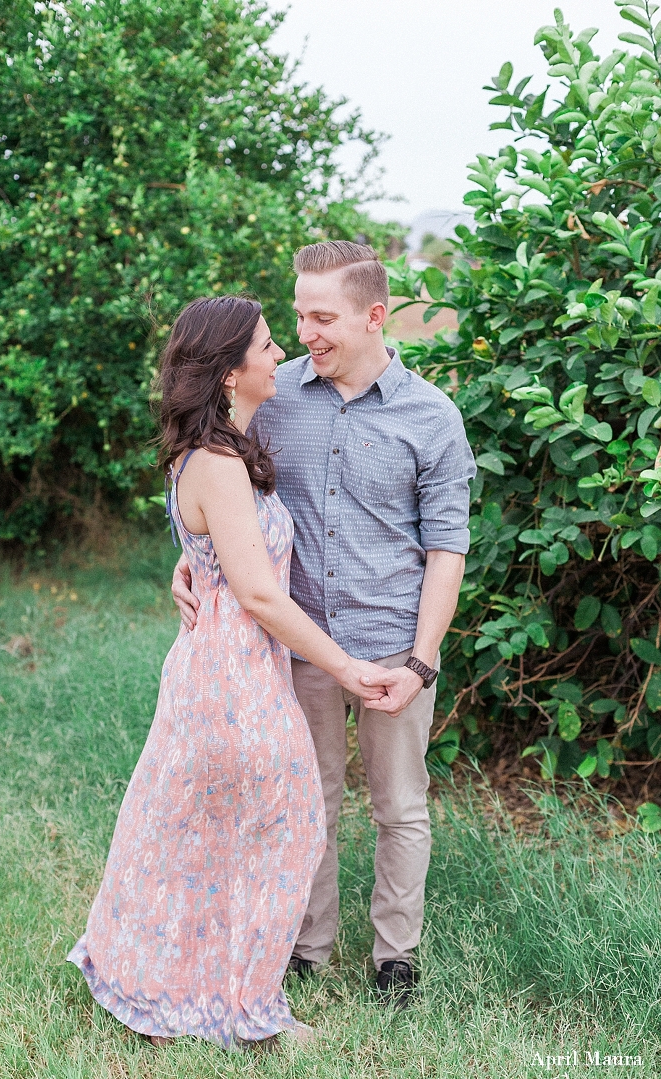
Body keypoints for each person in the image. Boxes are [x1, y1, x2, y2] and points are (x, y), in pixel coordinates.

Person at [67, 295, 398, 1051]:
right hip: (232, 678)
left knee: (194, 829)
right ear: (228, 373)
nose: (281, 353)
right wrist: (347, 667)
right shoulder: (215, 462)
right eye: (268, 344)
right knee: (283, 825)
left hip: (223, 668)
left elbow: (218, 546)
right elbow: (255, 591)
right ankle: (246, 1010)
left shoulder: (221, 451)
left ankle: (170, 981)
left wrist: (191, 558)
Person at [172, 242, 476, 1009]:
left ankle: (394, 959)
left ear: (374, 316)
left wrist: (422, 660)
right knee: (308, 801)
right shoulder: (274, 398)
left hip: (393, 651)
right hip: (296, 649)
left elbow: (447, 550)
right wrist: (189, 561)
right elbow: (217, 489)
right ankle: (306, 948)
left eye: (322, 316)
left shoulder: (432, 417)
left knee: (399, 806)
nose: (305, 330)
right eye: (299, 313)